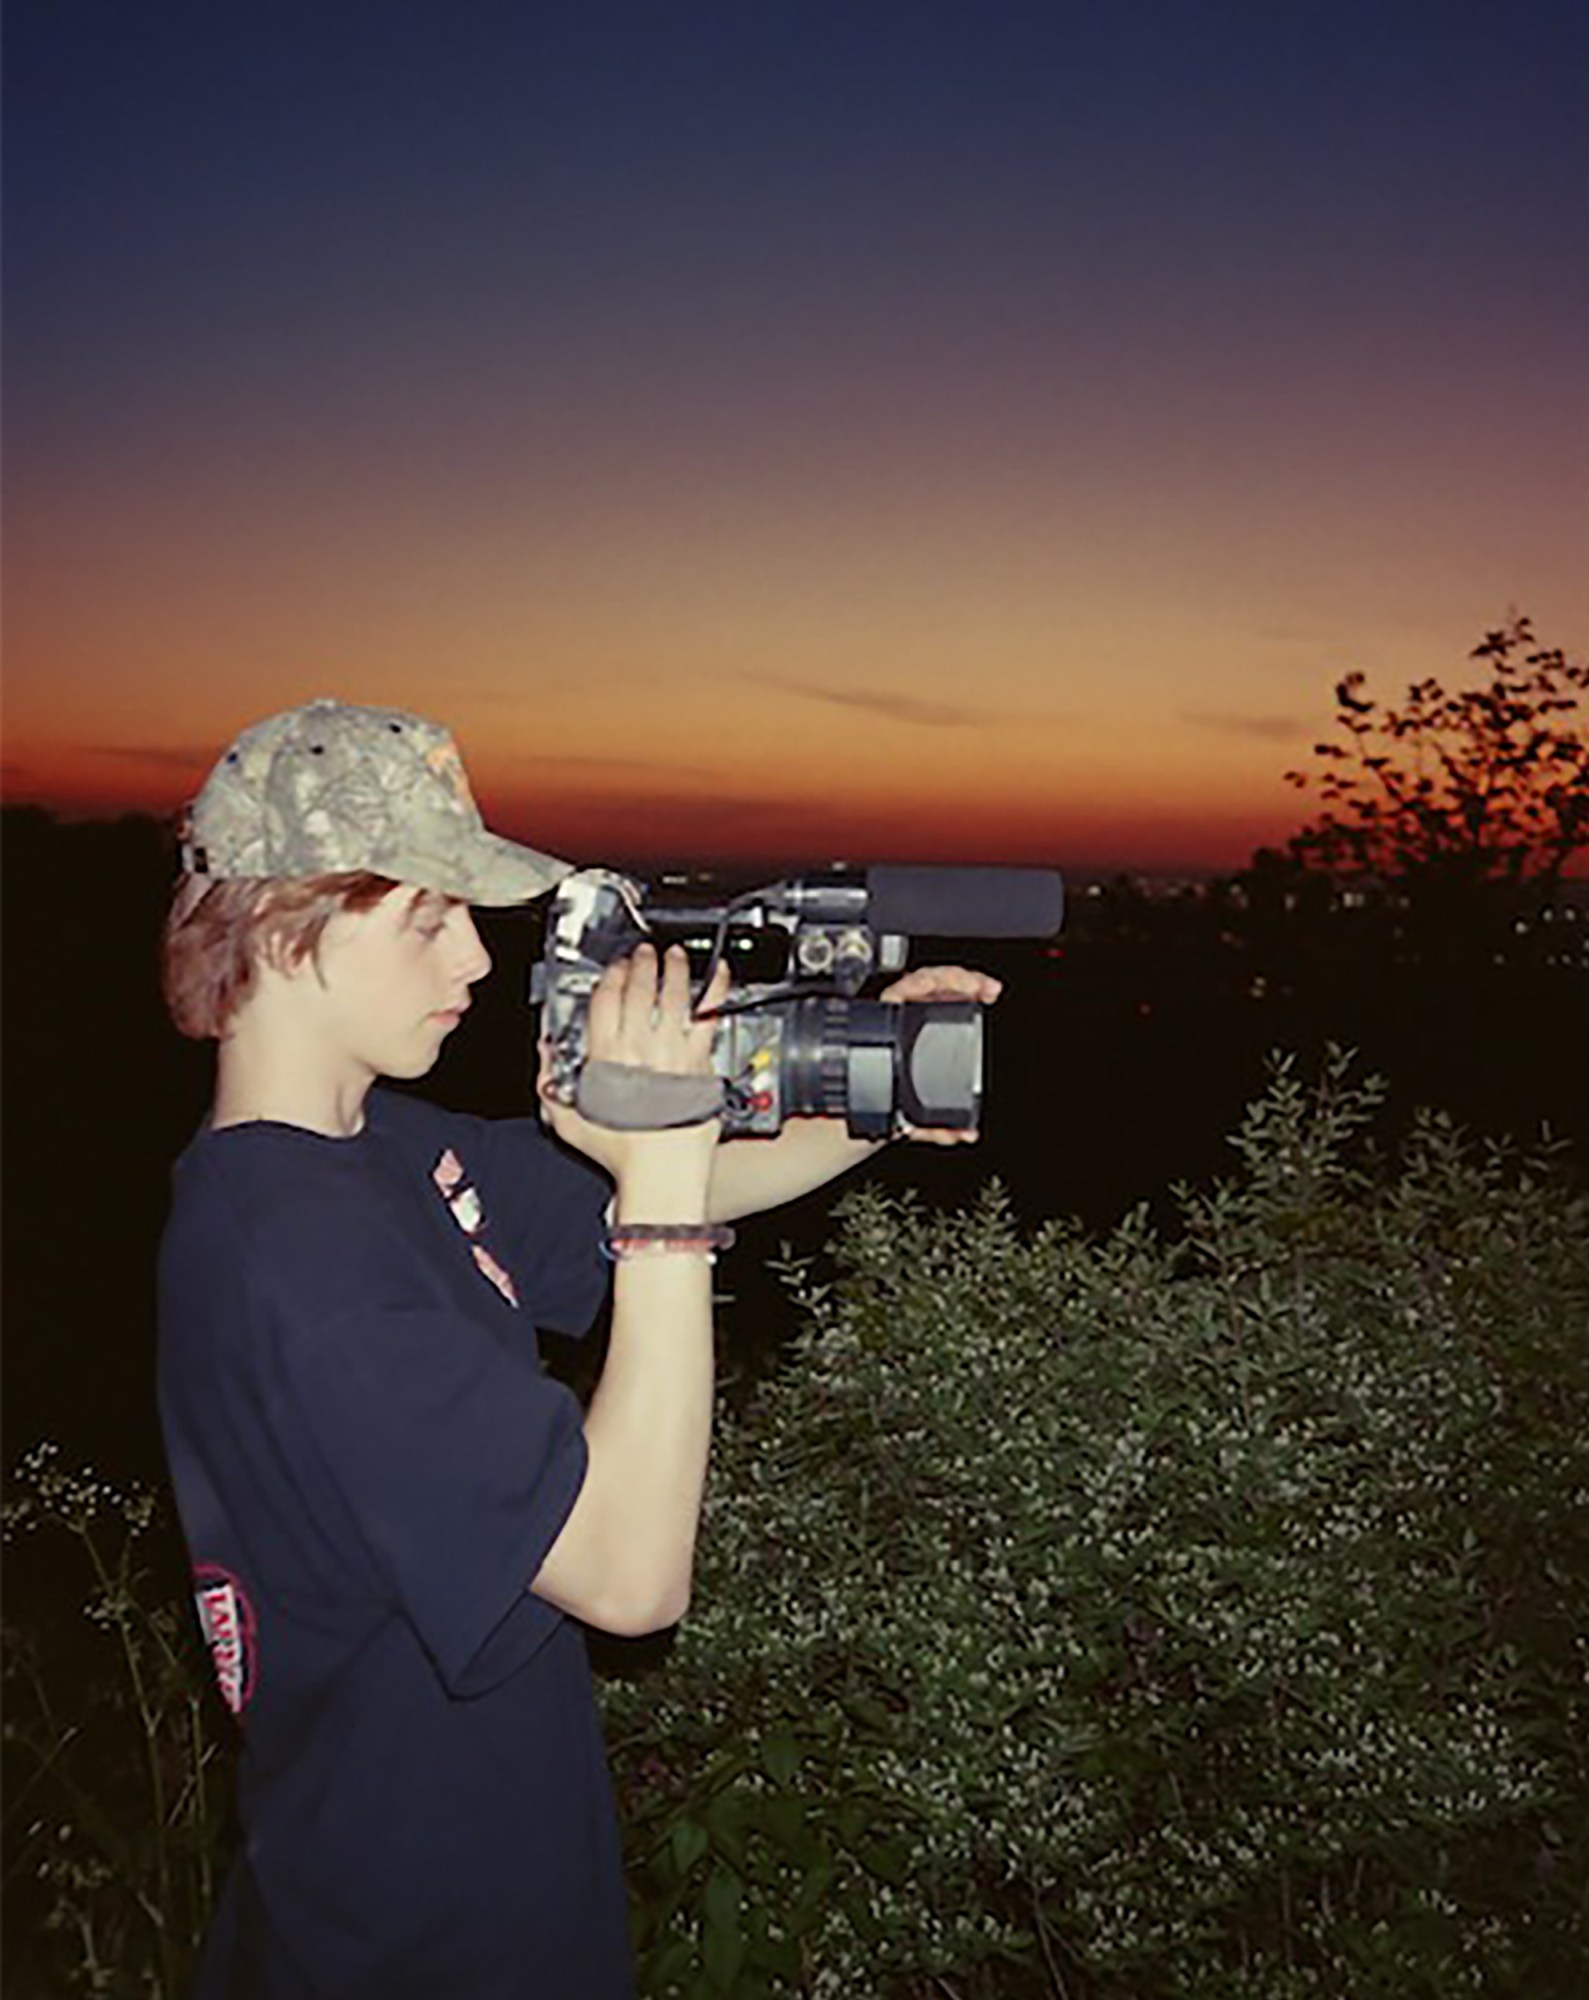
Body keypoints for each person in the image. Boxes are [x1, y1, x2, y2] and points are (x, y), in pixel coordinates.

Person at [157, 697, 1000, 1998]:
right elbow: (624, 1575)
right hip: (408, 1947)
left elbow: (668, 1186)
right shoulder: (296, 1265)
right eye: (430, 918)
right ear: (287, 925)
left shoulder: (378, 1152)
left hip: (455, 1892)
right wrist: (660, 1184)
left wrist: (876, 1084)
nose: (476, 966)